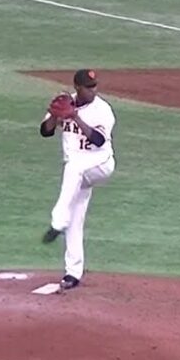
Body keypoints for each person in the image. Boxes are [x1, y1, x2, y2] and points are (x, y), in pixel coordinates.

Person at [39, 70, 117, 291]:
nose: (93, 90)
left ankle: (57, 221)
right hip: (78, 173)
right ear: (78, 87)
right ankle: (73, 273)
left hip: (100, 164)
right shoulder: (66, 101)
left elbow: (99, 140)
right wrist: (54, 116)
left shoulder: (102, 110)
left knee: (73, 166)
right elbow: (45, 132)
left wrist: (74, 117)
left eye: (94, 86)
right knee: (75, 219)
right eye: (88, 87)